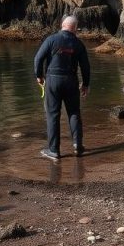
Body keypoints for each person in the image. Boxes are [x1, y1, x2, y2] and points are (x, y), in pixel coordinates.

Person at [34, 15, 90, 161]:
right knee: (74, 113)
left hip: (53, 80)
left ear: (62, 25)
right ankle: (77, 145)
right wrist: (85, 84)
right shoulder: (78, 44)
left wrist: (39, 75)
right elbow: (85, 66)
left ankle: (54, 150)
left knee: (53, 114)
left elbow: (38, 58)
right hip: (71, 80)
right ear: (75, 28)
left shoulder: (51, 39)